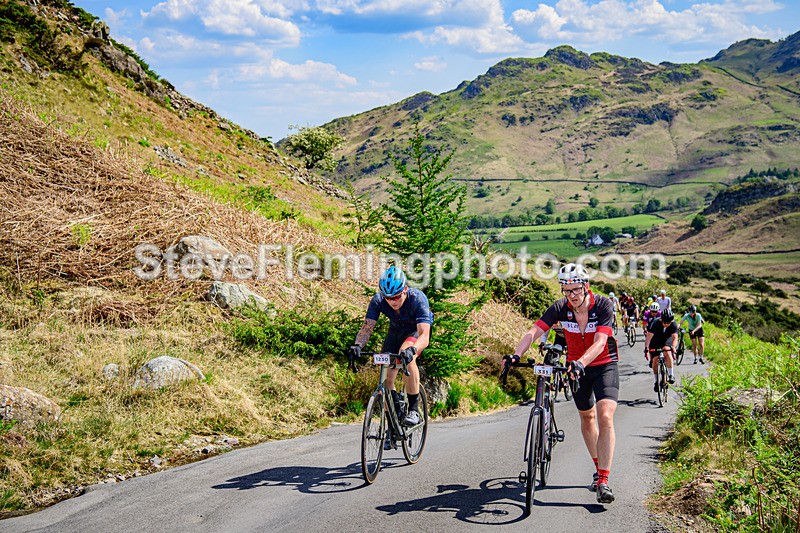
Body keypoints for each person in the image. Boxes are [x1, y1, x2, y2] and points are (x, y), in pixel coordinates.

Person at [502, 263, 619, 504]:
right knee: (587, 418)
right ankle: (598, 469)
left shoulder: (603, 306)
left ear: (586, 286)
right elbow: (534, 331)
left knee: (605, 415)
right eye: (567, 291)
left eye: (576, 290)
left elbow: (600, 342)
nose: (572, 296)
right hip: (576, 368)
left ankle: (604, 482)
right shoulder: (560, 308)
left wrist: (581, 362)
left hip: (603, 364)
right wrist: (516, 355)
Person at [347, 266, 433, 441]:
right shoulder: (378, 300)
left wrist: (413, 349)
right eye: (388, 298)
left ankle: (414, 410)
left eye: (396, 297)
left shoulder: (418, 299)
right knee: (386, 375)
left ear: (405, 290)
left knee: (405, 355)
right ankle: (393, 423)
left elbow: (425, 336)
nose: (392, 301)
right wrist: (358, 345)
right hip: (395, 332)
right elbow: (367, 328)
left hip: (414, 333)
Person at [644, 308, 678, 391]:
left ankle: (671, 375)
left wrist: (673, 347)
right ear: (661, 319)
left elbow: (675, 337)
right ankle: (656, 381)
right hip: (655, 340)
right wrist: (646, 348)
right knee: (655, 360)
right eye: (665, 322)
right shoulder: (655, 323)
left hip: (667, 339)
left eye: (668, 322)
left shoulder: (673, 324)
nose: (666, 324)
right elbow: (648, 337)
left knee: (667, 350)